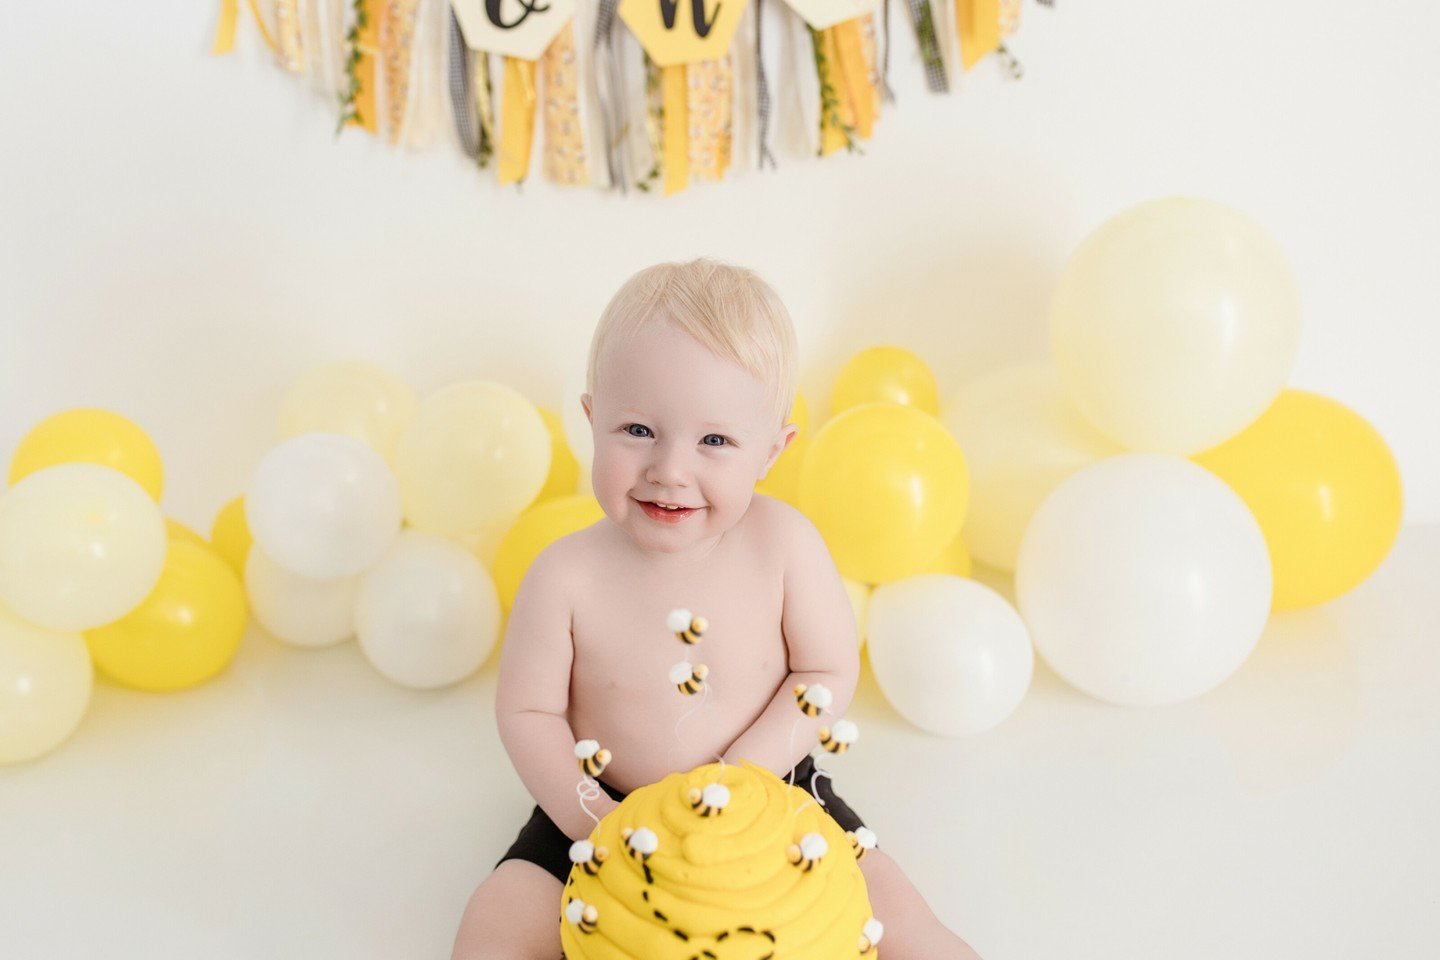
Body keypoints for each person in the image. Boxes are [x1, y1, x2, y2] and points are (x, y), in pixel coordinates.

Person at [451, 258, 982, 959]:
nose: (670, 469)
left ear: (772, 450)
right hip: (604, 803)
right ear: (591, 419)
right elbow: (529, 713)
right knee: (497, 921)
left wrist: (742, 777)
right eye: (637, 430)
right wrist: (600, 826)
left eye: (714, 441)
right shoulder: (564, 575)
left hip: (775, 792)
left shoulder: (784, 544)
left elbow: (824, 672)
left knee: (895, 913)